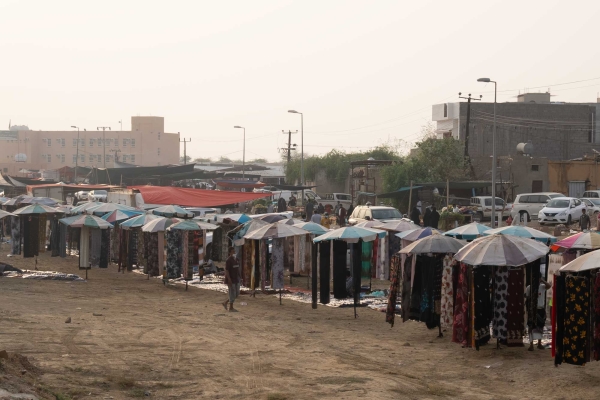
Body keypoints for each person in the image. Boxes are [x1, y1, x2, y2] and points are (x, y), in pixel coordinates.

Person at [526, 277, 552, 351]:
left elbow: (549, 286)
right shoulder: (529, 287)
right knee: (531, 326)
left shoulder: (542, 286)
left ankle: (539, 343)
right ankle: (531, 344)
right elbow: (527, 298)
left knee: (540, 326)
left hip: (540, 309)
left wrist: (542, 280)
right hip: (533, 309)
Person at [222, 247, 241, 312]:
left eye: (234, 251)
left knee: (236, 293)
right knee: (232, 293)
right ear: (230, 253)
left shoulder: (236, 259)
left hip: (236, 278)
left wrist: (240, 276)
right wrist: (229, 279)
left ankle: (225, 302)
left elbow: (237, 268)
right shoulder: (228, 260)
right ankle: (231, 307)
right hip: (231, 279)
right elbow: (226, 270)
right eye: (232, 251)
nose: (234, 253)